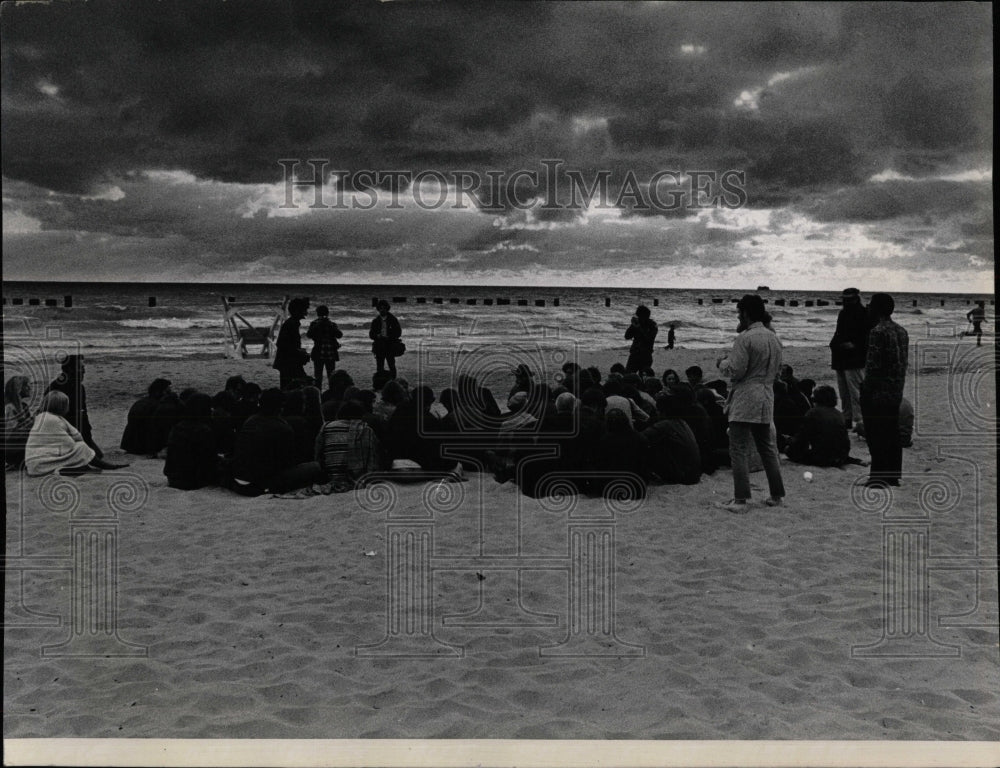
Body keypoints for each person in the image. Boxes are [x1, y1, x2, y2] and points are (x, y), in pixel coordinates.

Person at [716, 294, 785, 511]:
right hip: (766, 394)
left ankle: (740, 499)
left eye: (739, 313)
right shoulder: (773, 338)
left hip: (746, 395)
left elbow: (736, 370)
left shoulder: (745, 338)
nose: (738, 316)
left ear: (745, 313)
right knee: (767, 448)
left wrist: (722, 363)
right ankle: (776, 495)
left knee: (738, 447)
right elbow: (778, 370)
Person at [230, 388, 324, 495]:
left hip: (239, 481)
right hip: (260, 484)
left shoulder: (250, 421)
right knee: (315, 467)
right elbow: (287, 462)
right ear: (280, 407)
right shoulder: (282, 427)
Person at [46, 355, 127, 469]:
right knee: (92, 457)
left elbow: (82, 415)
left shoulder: (76, 387)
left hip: (74, 431)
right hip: (61, 435)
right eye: (81, 368)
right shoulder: (60, 387)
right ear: (70, 369)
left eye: (83, 367)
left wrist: (87, 438)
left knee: (97, 455)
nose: (84, 371)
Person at [861, 293, 908, 487]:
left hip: (879, 390)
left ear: (877, 309)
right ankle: (893, 474)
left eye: (871, 305)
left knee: (876, 433)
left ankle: (877, 476)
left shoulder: (877, 332)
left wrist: (866, 388)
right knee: (891, 431)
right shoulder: (902, 331)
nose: (868, 308)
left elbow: (873, 365)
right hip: (896, 388)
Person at [24, 391, 104, 476]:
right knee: (81, 447)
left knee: (80, 448)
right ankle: (102, 465)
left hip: (33, 464)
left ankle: (80, 468)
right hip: (42, 464)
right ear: (60, 406)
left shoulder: (41, 417)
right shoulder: (52, 420)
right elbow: (68, 444)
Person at [315, 401, 383, 492]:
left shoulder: (326, 427)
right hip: (358, 478)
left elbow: (318, 454)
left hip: (330, 477)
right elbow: (373, 457)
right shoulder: (366, 430)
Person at [829, 287, 868, 433]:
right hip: (841, 355)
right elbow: (839, 332)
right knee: (844, 391)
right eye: (845, 300)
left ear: (856, 299)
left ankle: (859, 421)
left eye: (849, 299)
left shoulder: (863, 314)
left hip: (855, 357)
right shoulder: (844, 313)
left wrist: (854, 345)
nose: (846, 302)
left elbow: (866, 337)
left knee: (855, 391)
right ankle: (847, 418)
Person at [784, 385, 852, 467]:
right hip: (841, 456)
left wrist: (789, 441)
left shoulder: (813, 413)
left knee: (789, 450)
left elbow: (802, 439)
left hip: (822, 457)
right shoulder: (839, 414)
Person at [163, 393, 220, 490]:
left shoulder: (177, 427)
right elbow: (210, 460)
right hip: (192, 480)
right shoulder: (204, 430)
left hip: (173, 477)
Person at [120, 378, 172, 455]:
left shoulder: (140, 402)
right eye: (168, 392)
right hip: (144, 447)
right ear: (159, 392)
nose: (170, 394)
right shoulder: (158, 406)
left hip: (130, 445)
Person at [273, 297, 311, 390]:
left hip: (287, 361)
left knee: (289, 386)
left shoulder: (292, 323)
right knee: (293, 386)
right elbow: (283, 344)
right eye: (304, 310)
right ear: (297, 311)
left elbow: (286, 344)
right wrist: (299, 353)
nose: (306, 313)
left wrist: (299, 351)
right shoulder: (291, 324)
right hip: (288, 362)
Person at [307, 305, 343, 390]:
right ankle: (326, 393)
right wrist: (320, 325)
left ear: (317, 314)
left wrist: (329, 325)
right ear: (328, 313)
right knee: (324, 376)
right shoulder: (315, 323)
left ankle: (321, 393)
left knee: (323, 376)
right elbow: (309, 334)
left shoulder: (330, 324)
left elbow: (339, 335)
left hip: (322, 353)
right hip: (328, 353)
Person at [4, 376, 34, 468]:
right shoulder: (9, 407)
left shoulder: (24, 406)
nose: (30, 388)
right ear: (19, 388)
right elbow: (8, 434)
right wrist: (31, 422)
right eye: (27, 386)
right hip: (12, 448)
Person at [369, 300, 402, 378]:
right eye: (380, 308)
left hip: (390, 346)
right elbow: (371, 335)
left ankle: (394, 383)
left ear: (387, 309)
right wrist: (377, 336)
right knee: (379, 367)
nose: (382, 310)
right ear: (378, 309)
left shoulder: (393, 319)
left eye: (384, 308)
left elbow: (398, 333)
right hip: (379, 346)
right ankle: (380, 384)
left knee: (392, 366)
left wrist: (390, 337)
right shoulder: (375, 321)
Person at [624, 305, 658, 373]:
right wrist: (632, 326)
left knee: (644, 377)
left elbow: (648, 338)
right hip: (635, 354)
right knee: (628, 375)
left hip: (646, 355)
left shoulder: (652, 326)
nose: (638, 318)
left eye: (639, 316)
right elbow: (627, 336)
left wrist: (639, 327)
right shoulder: (637, 324)